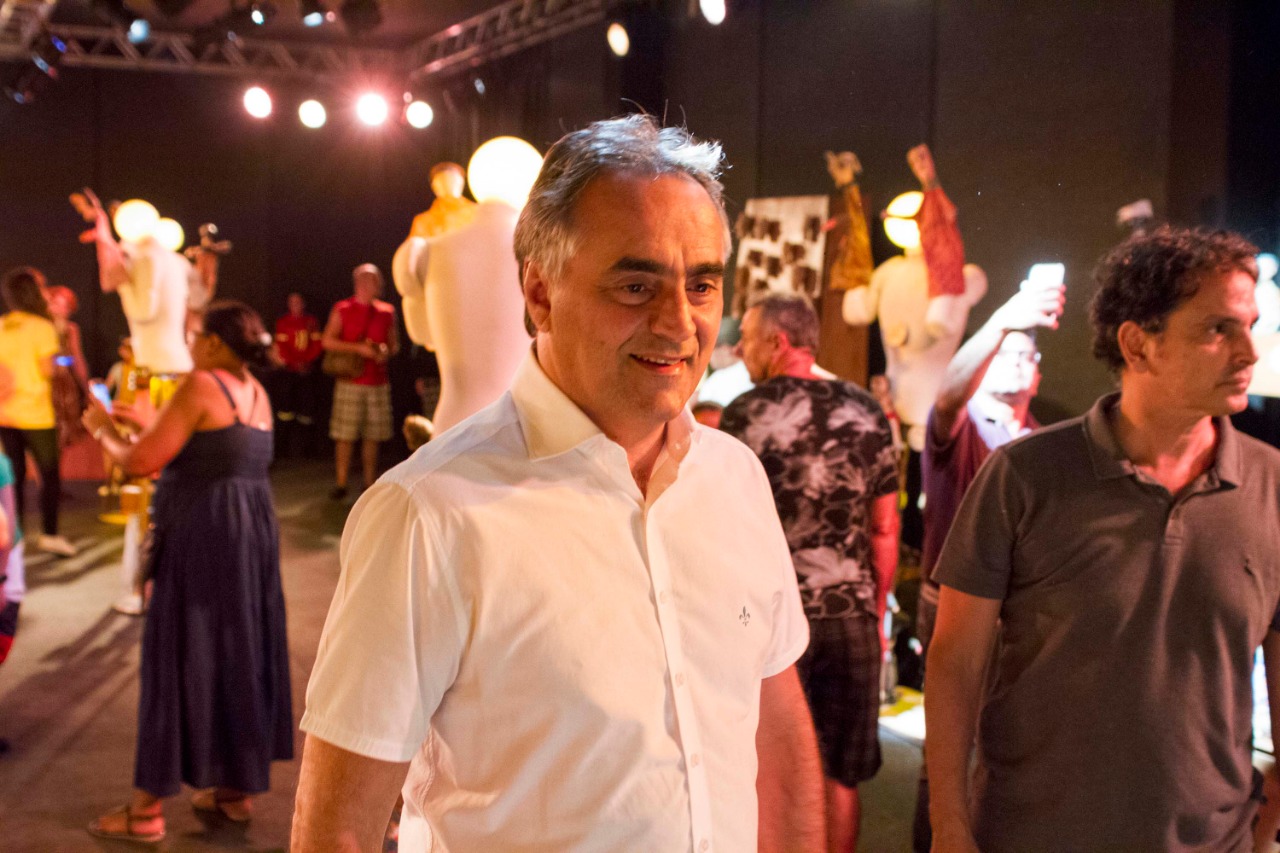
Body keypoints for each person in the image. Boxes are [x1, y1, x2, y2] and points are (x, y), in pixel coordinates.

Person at [293, 115, 825, 852]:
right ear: (539, 294)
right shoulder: (429, 512)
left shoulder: (735, 478)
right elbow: (340, 830)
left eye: (702, 284)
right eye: (636, 285)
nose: (680, 323)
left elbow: (776, 726)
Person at [926, 226, 1280, 853]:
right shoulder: (1024, 476)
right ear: (1138, 344)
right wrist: (949, 825)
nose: (1249, 351)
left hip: (1214, 841)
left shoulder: (1271, 485)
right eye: (1217, 329)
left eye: (1250, 325)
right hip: (1033, 836)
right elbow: (955, 663)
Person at [82, 301, 292, 845]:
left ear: (216, 343)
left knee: (179, 654)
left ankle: (145, 812)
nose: (190, 343)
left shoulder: (200, 385)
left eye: (196, 335)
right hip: (249, 541)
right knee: (240, 652)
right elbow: (217, 452)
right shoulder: (255, 392)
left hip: (202, 539)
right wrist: (148, 425)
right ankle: (234, 791)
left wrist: (103, 429)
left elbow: (138, 462)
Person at [721, 292, 899, 852]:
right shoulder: (867, 411)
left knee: (767, 768)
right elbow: (885, 528)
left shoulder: (744, 415)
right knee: (841, 776)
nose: (741, 350)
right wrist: (876, 613)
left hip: (772, 623)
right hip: (851, 616)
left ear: (777, 342)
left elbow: (725, 527)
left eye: (747, 339)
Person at [910, 273, 1064, 852]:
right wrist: (1007, 317)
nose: (1016, 361)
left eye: (1028, 354)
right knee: (948, 749)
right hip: (956, 605)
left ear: (1039, 373)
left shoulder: (1043, 445)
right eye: (1005, 351)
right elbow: (949, 394)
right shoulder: (963, 425)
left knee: (1006, 745)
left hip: (1021, 614)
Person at [0, 267, 76, 557]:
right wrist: (60, 360)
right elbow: (48, 370)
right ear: (31, 292)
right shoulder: (43, 327)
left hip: (5, 414)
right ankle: (49, 535)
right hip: (36, 415)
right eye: (42, 287)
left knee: (14, 477)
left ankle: (15, 536)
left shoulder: (2, 324)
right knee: (49, 475)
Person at [323, 263, 398, 500]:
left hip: (377, 382)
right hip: (351, 381)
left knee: (372, 435)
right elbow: (327, 341)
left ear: (379, 284)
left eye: (372, 280)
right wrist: (358, 349)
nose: (367, 284)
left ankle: (368, 482)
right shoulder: (343, 308)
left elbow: (394, 345)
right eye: (363, 280)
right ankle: (341, 483)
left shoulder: (387, 311)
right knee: (345, 434)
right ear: (356, 283)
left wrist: (384, 351)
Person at [272, 291, 323, 456]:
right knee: (285, 411)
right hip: (288, 372)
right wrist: (293, 363)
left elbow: (317, 344)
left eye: (298, 302)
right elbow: (281, 347)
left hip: (307, 372)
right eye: (292, 302)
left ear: (303, 304)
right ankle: (283, 448)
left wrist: (306, 362)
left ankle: (307, 449)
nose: (296, 305)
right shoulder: (283, 322)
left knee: (307, 411)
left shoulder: (311, 321)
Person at [45, 284, 91, 449]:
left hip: (65, 384)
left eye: (66, 306)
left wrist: (86, 387)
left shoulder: (71, 329)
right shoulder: (40, 327)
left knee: (67, 432)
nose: (61, 309)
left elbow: (78, 359)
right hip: (44, 382)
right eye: (57, 304)